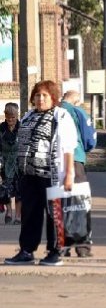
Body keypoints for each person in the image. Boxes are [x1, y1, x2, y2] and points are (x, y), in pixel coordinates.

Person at [4, 81, 77, 266]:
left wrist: (69, 174)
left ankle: (55, 252)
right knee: (29, 213)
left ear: (53, 97)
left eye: (44, 95)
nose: (40, 99)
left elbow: (69, 148)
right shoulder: (28, 116)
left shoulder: (60, 116)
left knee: (54, 213)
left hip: (51, 175)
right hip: (29, 175)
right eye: (37, 95)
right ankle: (27, 250)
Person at [60, 90, 96, 257]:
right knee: (80, 204)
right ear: (76, 100)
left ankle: (62, 246)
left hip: (56, 162)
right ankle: (82, 247)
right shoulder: (78, 111)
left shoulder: (54, 110)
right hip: (76, 159)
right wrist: (85, 149)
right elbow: (90, 139)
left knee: (60, 204)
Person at [1, 102, 20, 225]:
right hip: (5, 161)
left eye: (13, 117)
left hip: (19, 162)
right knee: (5, 189)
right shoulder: (1, 128)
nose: (10, 120)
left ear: (17, 116)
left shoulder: (22, 127)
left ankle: (18, 216)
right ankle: (8, 211)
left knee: (19, 190)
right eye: (8, 118)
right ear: (5, 116)